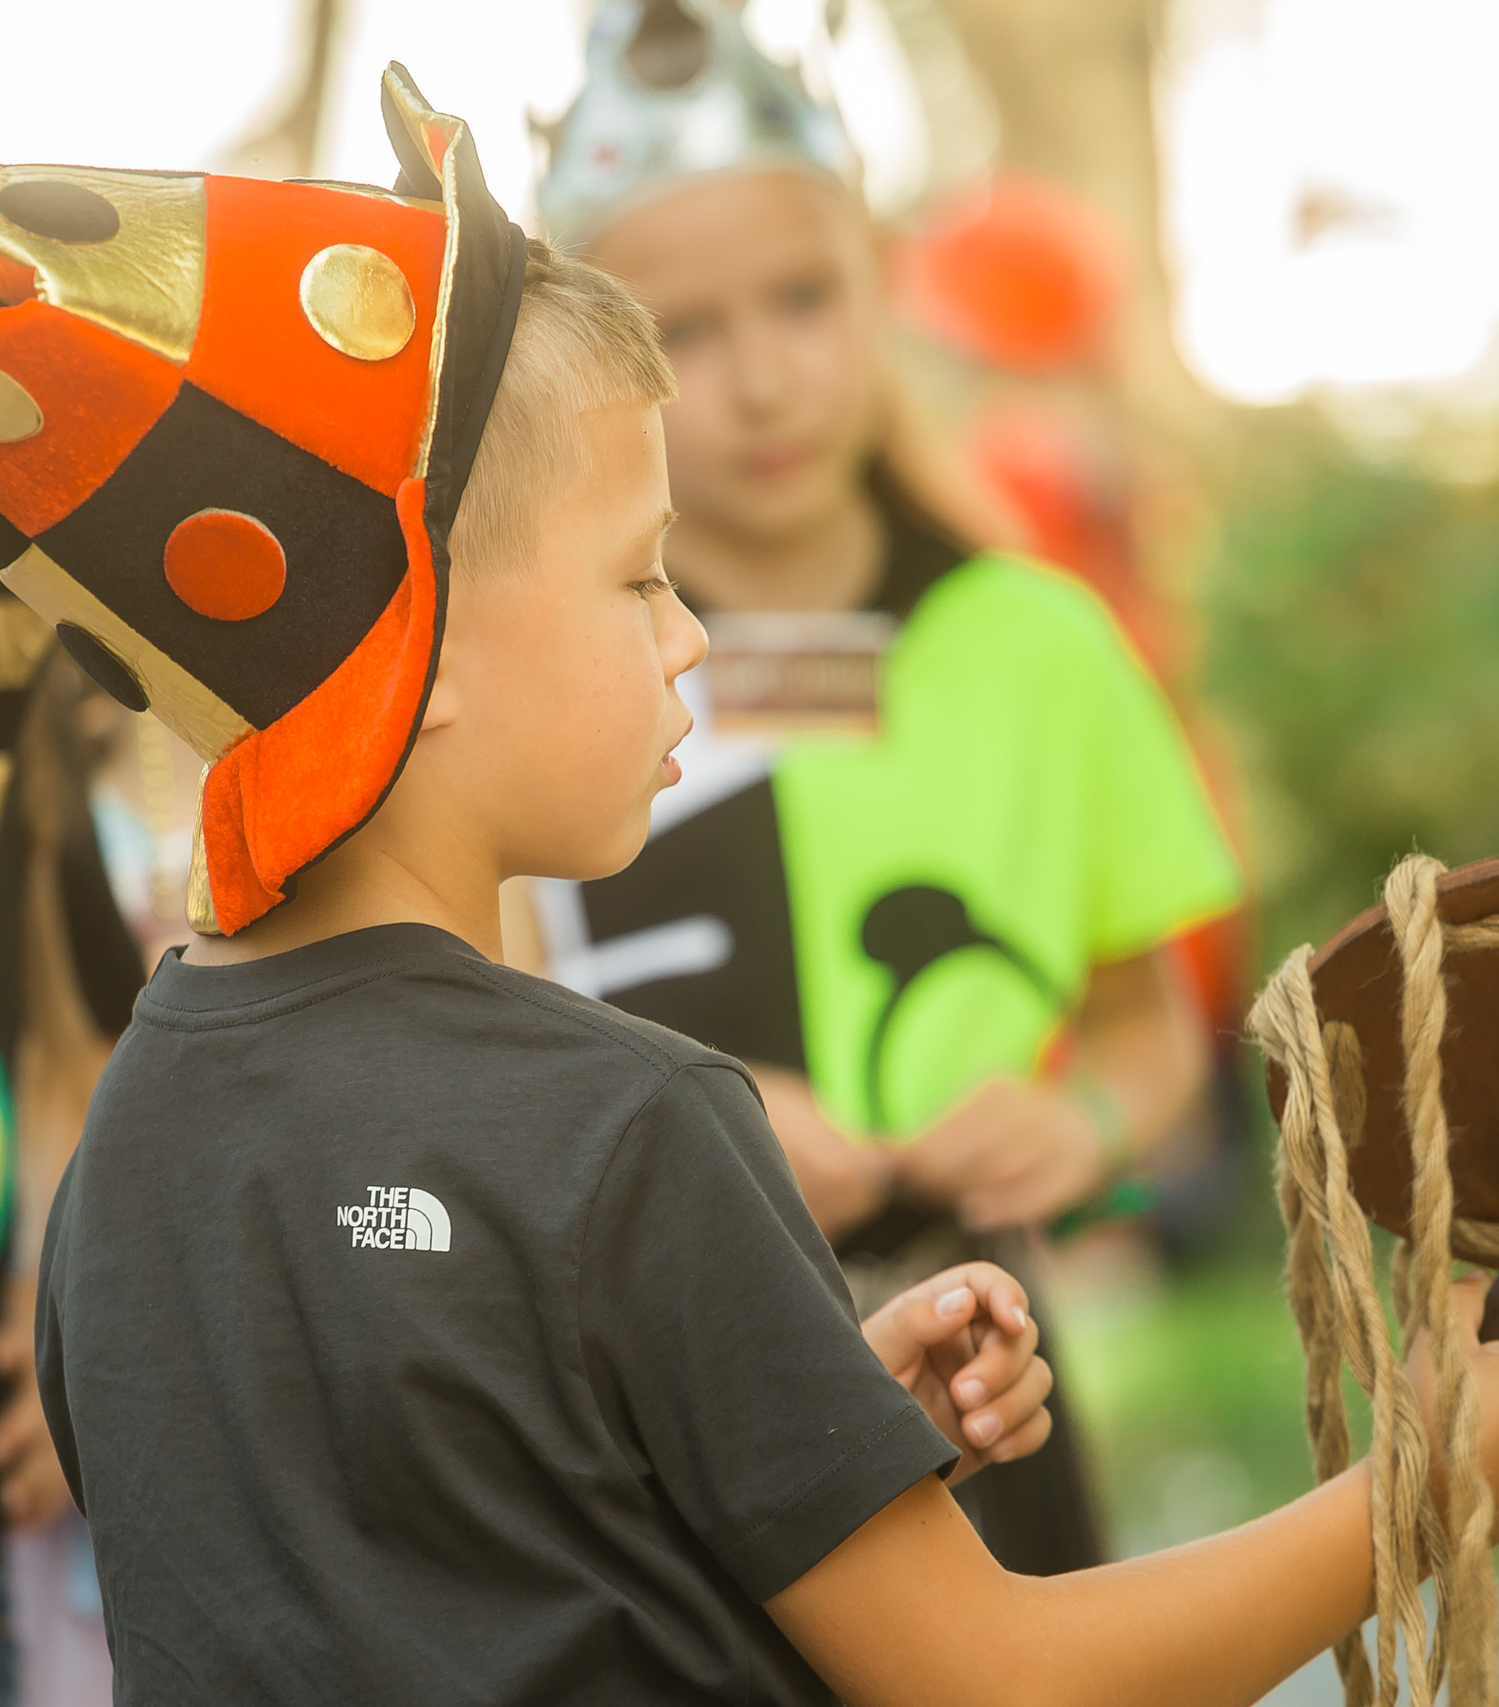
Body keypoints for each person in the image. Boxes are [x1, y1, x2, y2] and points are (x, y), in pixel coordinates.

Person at [0, 67, 1499, 1704]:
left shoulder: (127, 1151)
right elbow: (1003, 1683)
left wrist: (795, 1434)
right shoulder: (634, 1131)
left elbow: (432, 1567)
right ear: (426, 643)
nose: (694, 636)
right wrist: (1427, 1486)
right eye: (641, 578)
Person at [527, 0, 1241, 1571]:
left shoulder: (1044, 641)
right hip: (640, 1408)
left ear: (877, 285)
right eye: (684, 332)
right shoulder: (542, 660)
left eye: (804, 298)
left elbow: (1148, 1025)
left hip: (987, 1380)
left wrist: (1084, 1124)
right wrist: (676, 1129)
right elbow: (463, 1022)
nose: (764, 378)